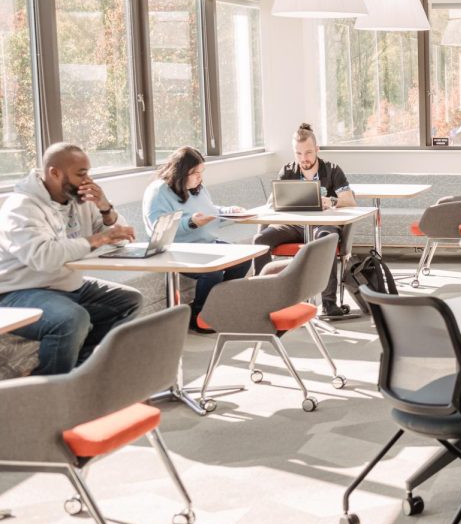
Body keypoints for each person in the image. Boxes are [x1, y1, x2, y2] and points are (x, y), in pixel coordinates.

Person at [0, 143, 142, 375]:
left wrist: (105, 208)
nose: (88, 180)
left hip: (66, 285)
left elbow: (120, 238)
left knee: (128, 301)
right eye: (81, 173)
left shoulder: (80, 201)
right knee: (71, 319)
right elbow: (43, 257)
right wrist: (97, 239)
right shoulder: (21, 208)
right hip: (17, 292)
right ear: (54, 173)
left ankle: (84, 374)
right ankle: (53, 395)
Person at [253, 123, 356, 319]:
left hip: (323, 225)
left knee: (326, 240)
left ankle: (329, 304)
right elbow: (272, 202)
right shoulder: (287, 171)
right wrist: (273, 200)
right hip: (292, 225)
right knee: (260, 241)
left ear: (317, 150)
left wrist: (332, 201)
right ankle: (266, 301)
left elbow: (350, 199)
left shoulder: (332, 170)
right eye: (298, 153)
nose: (303, 159)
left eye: (308, 153)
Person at [143, 146, 252, 333]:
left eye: (202, 172)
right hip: (176, 250)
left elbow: (209, 209)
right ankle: (199, 314)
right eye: (195, 173)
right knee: (212, 272)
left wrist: (228, 211)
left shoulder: (197, 188)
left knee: (242, 259)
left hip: (206, 244)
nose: (200, 178)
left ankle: (217, 306)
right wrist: (190, 223)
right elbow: (158, 229)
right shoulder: (159, 191)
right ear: (181, 172)